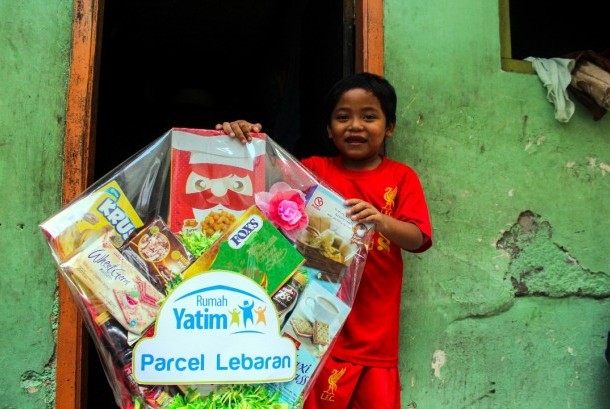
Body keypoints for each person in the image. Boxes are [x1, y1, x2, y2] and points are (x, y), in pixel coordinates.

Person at [216, 72, 433, 409]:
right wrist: (241, 138)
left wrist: (380, 219)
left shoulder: (401, 176)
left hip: (375, 333)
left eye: (369, 116)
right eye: (343, 117)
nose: (356, 125)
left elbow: (418, 238)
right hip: (312, 325)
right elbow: (261, 179)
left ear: (389, 127)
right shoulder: (312, 170)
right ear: (329, 129)